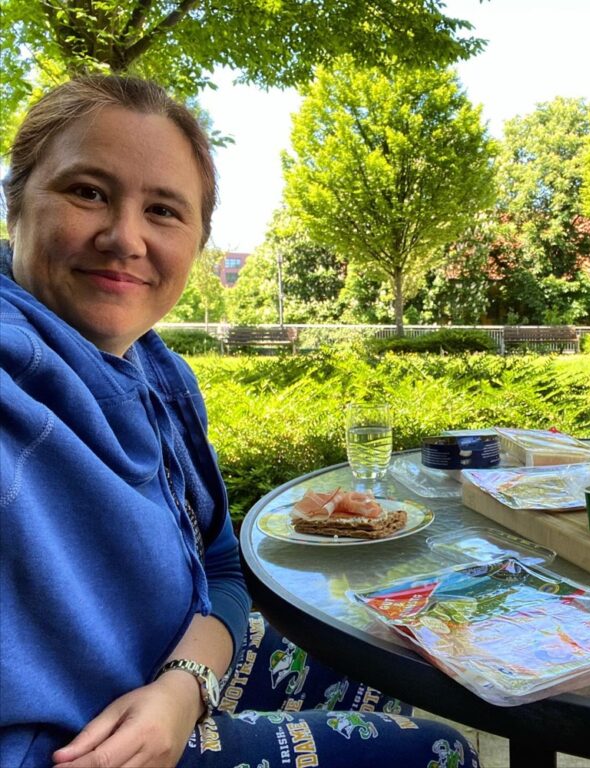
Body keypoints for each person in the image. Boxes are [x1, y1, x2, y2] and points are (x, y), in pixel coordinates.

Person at [0, 75, 481, 768]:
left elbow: (222, 565)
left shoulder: (158, 377)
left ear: (196, 243)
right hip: (70, 749)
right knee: (438, 753)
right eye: (87, 192)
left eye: (163, 210)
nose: (125, 238)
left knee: (376, 662)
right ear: (15, 202)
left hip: (168, 672)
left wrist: (184, 685)